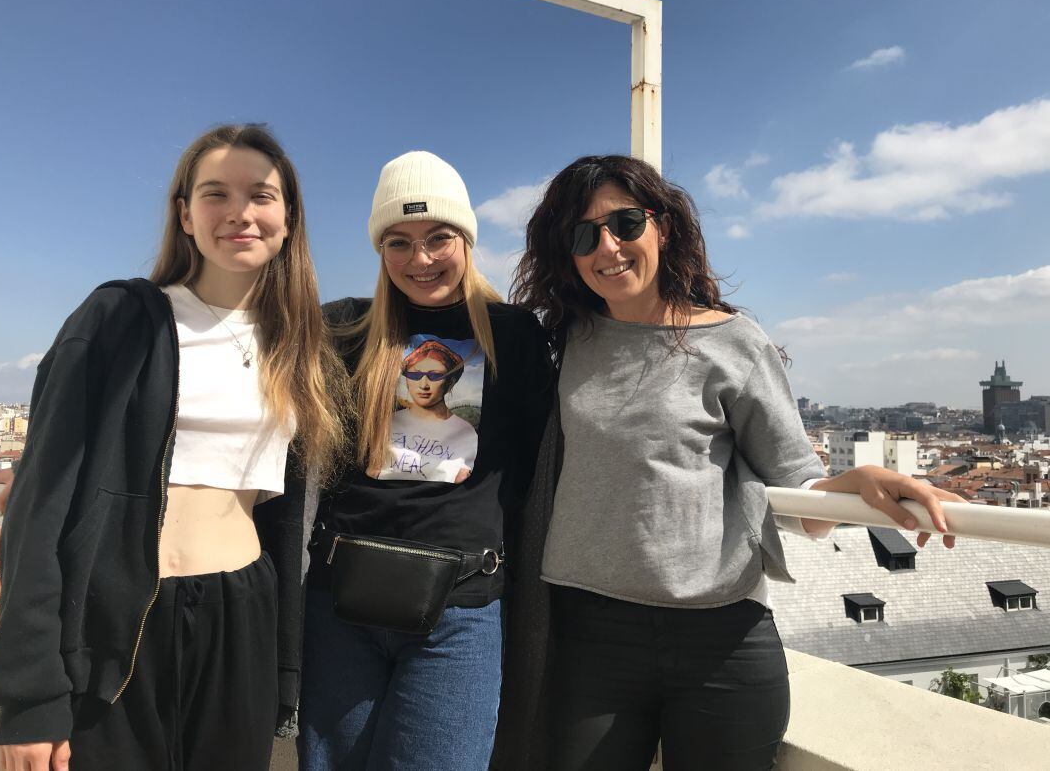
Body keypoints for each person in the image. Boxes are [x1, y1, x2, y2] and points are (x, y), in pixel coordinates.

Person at [497, 154, 962, 771]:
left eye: (626, 223)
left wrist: (860, 483)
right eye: (583, 234)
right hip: (589, 634)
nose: (607, 246)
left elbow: (797, 487)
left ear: (663, 226)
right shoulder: (566, 339)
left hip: (719, 639)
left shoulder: (734, 343)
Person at [0, 124, 352, 771]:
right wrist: (30, 698)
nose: (240, 212)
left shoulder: (302, 350)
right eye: (216, 194)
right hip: (117, 625)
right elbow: (38, 508)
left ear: (289, 218)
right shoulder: (119, 320)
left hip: (244, 616)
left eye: (261, 195)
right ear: (185, 214)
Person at [294, 150, 552, 771]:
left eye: (439, 238)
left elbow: (536, 468)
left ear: (466, 240)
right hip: (342, 605)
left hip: (460, 610)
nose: (421, 259)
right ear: (380, 252)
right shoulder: (345, 330)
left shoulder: (513, 334)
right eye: (399, 242)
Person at [377, 339, 480, 483]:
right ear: (406, 380)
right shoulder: (389, 423)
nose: (424, 384)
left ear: (450, 382)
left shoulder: (466, 431)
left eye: (435, 376)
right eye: (415, 375)